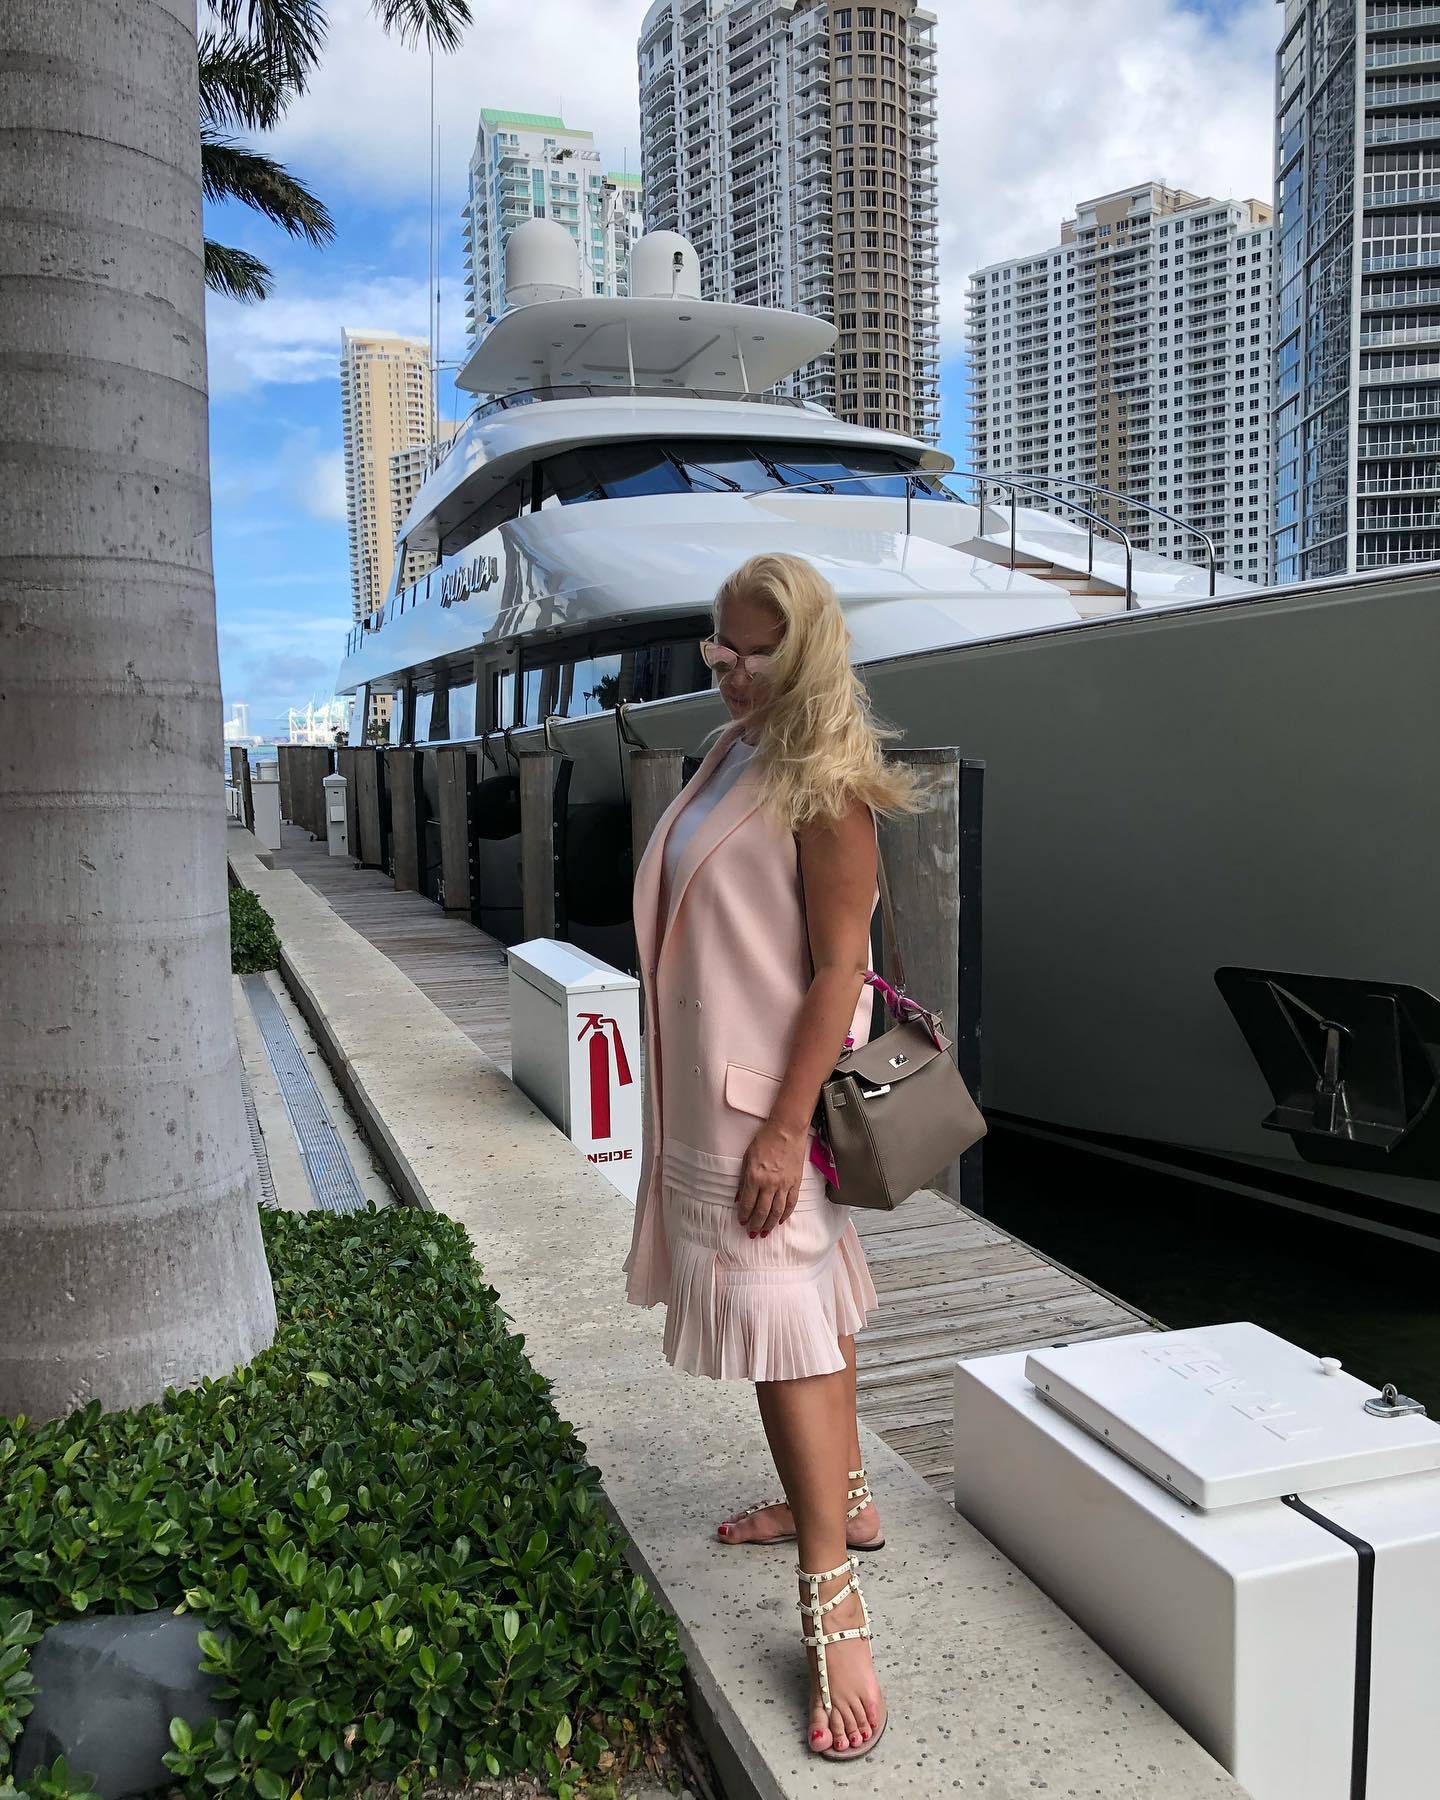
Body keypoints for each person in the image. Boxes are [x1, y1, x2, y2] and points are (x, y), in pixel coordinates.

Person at [623, 552, 927, 1762]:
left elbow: (841, 971)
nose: (736, 670)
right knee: (812, 1317)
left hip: (767, 1114)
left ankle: (833, 1604)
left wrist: (785, 1129)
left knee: (783, 1337)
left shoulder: (827, 784)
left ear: (807, 652)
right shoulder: (727, 751)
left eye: (760, 652)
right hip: (718, 1101)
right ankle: (844, 1504)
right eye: (723, 647)